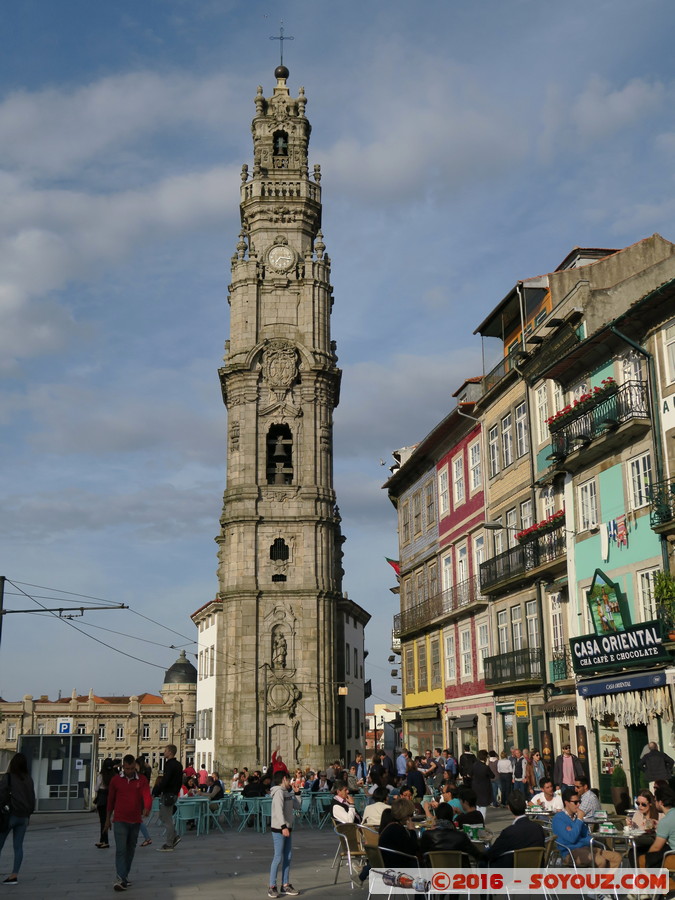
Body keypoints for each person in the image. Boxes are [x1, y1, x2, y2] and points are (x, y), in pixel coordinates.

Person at [105, 753, 152, 892]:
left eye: (132, 768)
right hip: (120, 819)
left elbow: (146, 795)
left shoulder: (142, 780)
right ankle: (120, 878)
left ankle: (124, 876)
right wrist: (108, 819)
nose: (130, 771)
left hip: (135, 820)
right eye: (127, 768)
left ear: (135, 767)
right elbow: (110, 800)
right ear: (123, 767)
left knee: (130, 850)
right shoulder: (115, 780)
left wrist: (147, 807)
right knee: (121, 850)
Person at [551, 787, 621, 868]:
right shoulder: (559, 818)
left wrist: (581, 840)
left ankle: (605, 880)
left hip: (586, 848)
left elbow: (588, 837)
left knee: (616, 857)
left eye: (579, 802)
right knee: (600, 861)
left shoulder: (576, 817)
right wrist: (580, 820)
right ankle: (597, 880)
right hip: (570, 852)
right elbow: (572, 838)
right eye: (575, 802)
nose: (579, 805)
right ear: (566, 803)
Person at [0, 752, 35, 885]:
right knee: (18, 846)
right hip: (24, 817)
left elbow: (1, 795)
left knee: (0, 844)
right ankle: (14, 875)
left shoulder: (8, 778)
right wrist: (29, 814)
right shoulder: (28, 778)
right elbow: (32, 798)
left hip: (9, 816)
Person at [485, 791, 545, 866]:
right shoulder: (538, 828)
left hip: (513, 872)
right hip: (536, 870)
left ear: (509, 808)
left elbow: (492, 853)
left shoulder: (509, 832)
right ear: (526, 806)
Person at [268, 770, 301, 899]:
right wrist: (283, 826)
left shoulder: (287, 792)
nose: (290, 781)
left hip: (287, 828)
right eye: (289, 779)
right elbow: (278, 811)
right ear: (283, 779)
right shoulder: (278, 793)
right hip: (279, 829)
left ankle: (285, 884)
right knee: (278, 857)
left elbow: (297, 806)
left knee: (288, 856)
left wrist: (297, 793)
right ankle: (272, 886)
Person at [419, 802, 484, 862]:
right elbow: (477, 855)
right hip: (458, 872)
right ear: (452, 816)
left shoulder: (427, 835)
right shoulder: (461, 836)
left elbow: (421, 855)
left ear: (436, 816)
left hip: (435, 872)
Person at [155, 744, 183, 852]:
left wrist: (158, 790)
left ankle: (169, 844)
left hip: (168, 793)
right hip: (173, 793)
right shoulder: (179, 765)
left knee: (167, 819)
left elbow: (166, 779)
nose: (164, 752)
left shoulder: (169, 765)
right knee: (163, 816)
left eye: (165, 750)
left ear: (170, 752)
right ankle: (175, 836)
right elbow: (180, 780)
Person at [378, 797, 419, 865]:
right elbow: (412, 850)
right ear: (405, 815)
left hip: (387, 863)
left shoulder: (390, 827)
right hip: (398, 866)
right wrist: (412, 831)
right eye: (410, 815)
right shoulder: (398, 830)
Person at [643, 784, 675, 868]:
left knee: (644, 858)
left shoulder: (665, 821)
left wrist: (648, 854)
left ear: (660, 802)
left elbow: (656, 847)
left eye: (655, 800)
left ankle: (648, 880)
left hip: (673, 856)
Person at [95, 760, 116, 849]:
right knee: (106, 820)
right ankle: (102, 840)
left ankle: (105, 841)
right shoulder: (114, 776)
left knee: (103, 821)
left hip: (102, 798)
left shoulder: (101, 776)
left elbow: (96, 788)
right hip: (111, 798)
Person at [470, 750, 494, 822]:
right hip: (484, 787)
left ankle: (476, 819)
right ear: (485, 757)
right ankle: (481, 820)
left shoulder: (474, 765)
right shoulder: (485, 767)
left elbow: (469, 774)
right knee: (483, 805)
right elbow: (492, 776)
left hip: (475, 787)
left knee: (477, 804)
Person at [135, 757, 153, 846]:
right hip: (142, 796)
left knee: (137, 819)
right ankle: (147, 838)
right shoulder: (148, 768)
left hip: (139, 796)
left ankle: (147, 838)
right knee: (137, 819)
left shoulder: (141, 774)